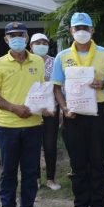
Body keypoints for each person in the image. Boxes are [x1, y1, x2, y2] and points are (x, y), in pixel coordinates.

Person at [52, 12, 104, 207]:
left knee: (97, 161)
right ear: (71, 31)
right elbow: (56, 87)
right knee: (78, 163)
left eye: (85, 28)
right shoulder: (62, 56)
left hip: (97, 111)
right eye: (77, 28)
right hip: (73, 114)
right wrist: (63, 108)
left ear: (92, 30)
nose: (81, 32)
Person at [0, 22, 45, 207]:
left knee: (30, 171)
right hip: (7, 126)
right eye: (12, 36)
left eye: (20, 34)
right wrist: (14, 108)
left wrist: (44, 107)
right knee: (9, 171)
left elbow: (42, 90)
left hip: (33, 125)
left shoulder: (38, 61)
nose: (17, 38)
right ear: (6, 40)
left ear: (27, 38)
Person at [29, 33, 61, 191]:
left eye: (44, 42)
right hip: (31, 110)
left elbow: (58, 86)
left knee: (50, 144)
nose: (41, 45)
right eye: (37, 42)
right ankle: (35, 178)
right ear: (31, 46)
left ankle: (50, 178)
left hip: (51, 109)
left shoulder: (55, 62)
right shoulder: (26, 62)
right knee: (33, 145)